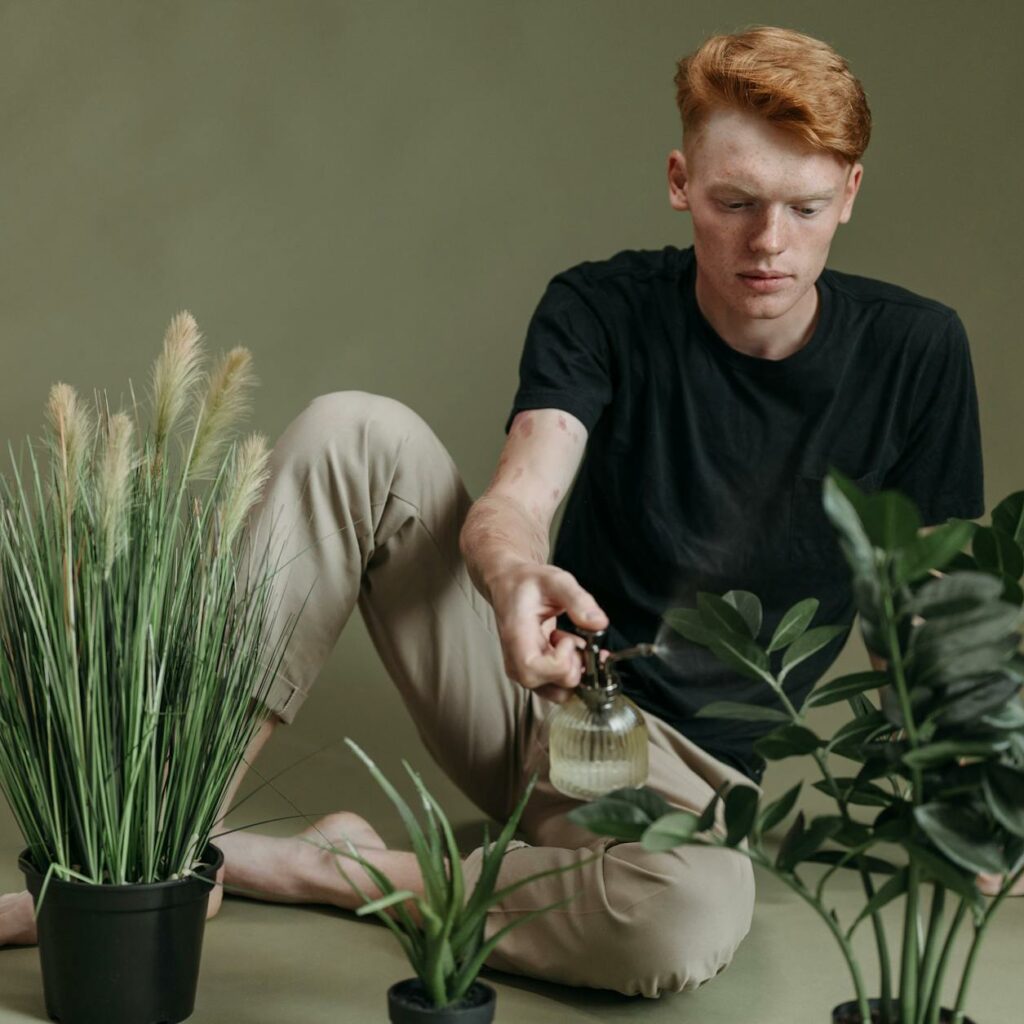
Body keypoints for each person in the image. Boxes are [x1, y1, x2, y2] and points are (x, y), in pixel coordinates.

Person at [1, 25, 1000, 995]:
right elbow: (520, 492)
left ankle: (323, 865)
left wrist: (974, 789)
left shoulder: (915, 354)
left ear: (851, 193)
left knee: (680, 916)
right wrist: (519, 578)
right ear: (679, 182)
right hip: (534, 693)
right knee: (357, 430)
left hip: (685, 791)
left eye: (806, 206)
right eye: (733, 200)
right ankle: (153, 857)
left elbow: (925, 608)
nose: (768, 243)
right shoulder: (603, 306)